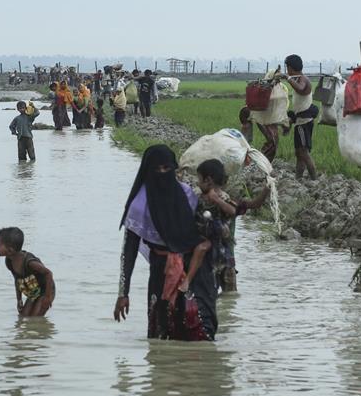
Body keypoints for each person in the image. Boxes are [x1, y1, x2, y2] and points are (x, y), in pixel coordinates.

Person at [114, 144, 217, 341]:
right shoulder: (139, 205)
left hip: (193, 271)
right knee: (161, 336)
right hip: (160, 273)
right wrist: (123, 294)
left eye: (166, 169)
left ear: (174, 169)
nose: (162, 174)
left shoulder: (188, 195)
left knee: (201, 331)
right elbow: (129, 251)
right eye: (157, 170)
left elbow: (207, 234)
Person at [193, 158, 271, 292]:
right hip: (206, 259)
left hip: (224, 258)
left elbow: (253, 204)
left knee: (228, 294)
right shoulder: (198, 200)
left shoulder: (227, 200)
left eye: (199, 179)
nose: (197, 183)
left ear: (208, 181)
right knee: (217, 296)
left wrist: (268, 187)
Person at [0, 227, 56, 317]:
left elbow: (48, 273)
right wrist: (19, 300)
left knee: (35, 318)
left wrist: (47, 298)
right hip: (33, 291)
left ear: (10, 250)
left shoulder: (29, 262)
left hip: (46, 289)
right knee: (24, 317)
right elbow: (17, 280)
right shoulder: (9, 261)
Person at [282, 54, 318, 180]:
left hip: (304, 122)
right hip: (300, 121)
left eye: (287, 68)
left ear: (291, 68)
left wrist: (288, 78)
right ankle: (298, 178)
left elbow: (300, 88)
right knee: (299, 153)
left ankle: (314, 179)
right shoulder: (297, 78)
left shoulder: (302, 79)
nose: (287, 70)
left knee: (303, 152)